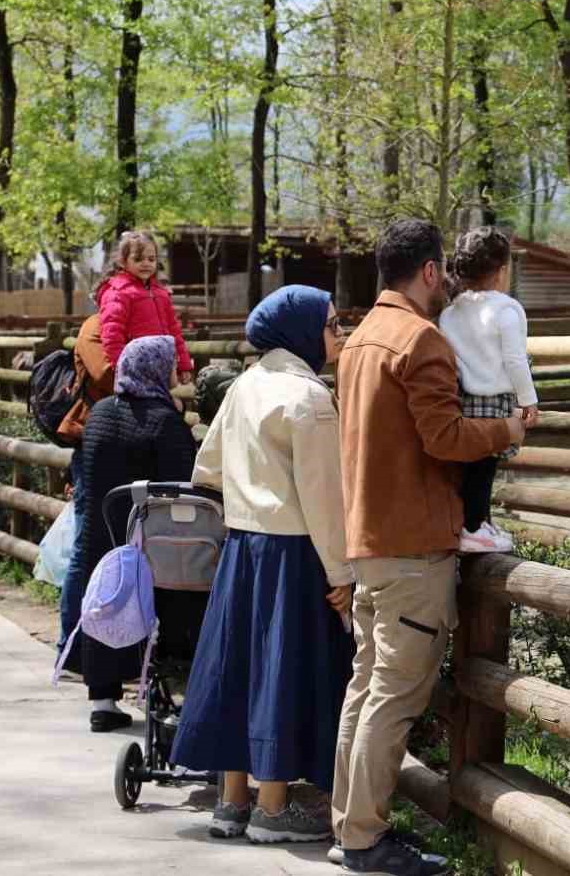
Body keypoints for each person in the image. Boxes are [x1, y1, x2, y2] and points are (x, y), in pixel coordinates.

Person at [332, 219, 525, 876]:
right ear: (429, 272)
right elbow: (444, 438)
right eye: (440, 270)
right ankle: (363, 838)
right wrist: (506, 428)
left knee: (366, 689)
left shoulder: (360, 340)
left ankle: (351, 825)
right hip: (414, 546)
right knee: (393, 696)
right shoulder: (421, 341)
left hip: (369, 540)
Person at [171, 285, 354, 846]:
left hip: (242, 547)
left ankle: (232, 802)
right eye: (330, 325)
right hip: (292, 552)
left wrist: (249, 490)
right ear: (302, 333)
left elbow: (206, 467)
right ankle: (273, 809)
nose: (338, 334)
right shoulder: (308, 398)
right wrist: (342, 574)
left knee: (240, 669)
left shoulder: (245, 386)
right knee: (280, 671)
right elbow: (324, 499)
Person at [74, 335, 200, 732]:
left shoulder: (100, 414)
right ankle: (176, 685)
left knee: (109, 602)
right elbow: (186, 482)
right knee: (177, 602)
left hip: (105, 537)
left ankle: (103, 700)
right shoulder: (164, 423)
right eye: (171, 367)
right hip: (152, 541)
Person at [438, 227, 539, 554]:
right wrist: (528, 401)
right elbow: (514, 359)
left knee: (471, 468)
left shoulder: (451, 311)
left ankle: (476, 522)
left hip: (462, 399)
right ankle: (473, 527)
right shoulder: (506, 309)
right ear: (501, 271)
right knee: (486, 466)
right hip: (495, 400)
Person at [54, 308, 117, 657]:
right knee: (86, 543)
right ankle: (72, 644)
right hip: (95, 442)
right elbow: (106, 373)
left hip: (132, 441)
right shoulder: (96, 328)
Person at [96, 229, 195, 384]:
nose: (146, 264)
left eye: (151, 259)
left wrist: (183, 365)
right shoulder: (118, 293)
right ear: (123, 261)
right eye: (138, 259)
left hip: (161, 369)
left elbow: (174, 332)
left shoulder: (161, 293)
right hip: (135, 371)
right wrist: (123, 369)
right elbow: (112, 336)